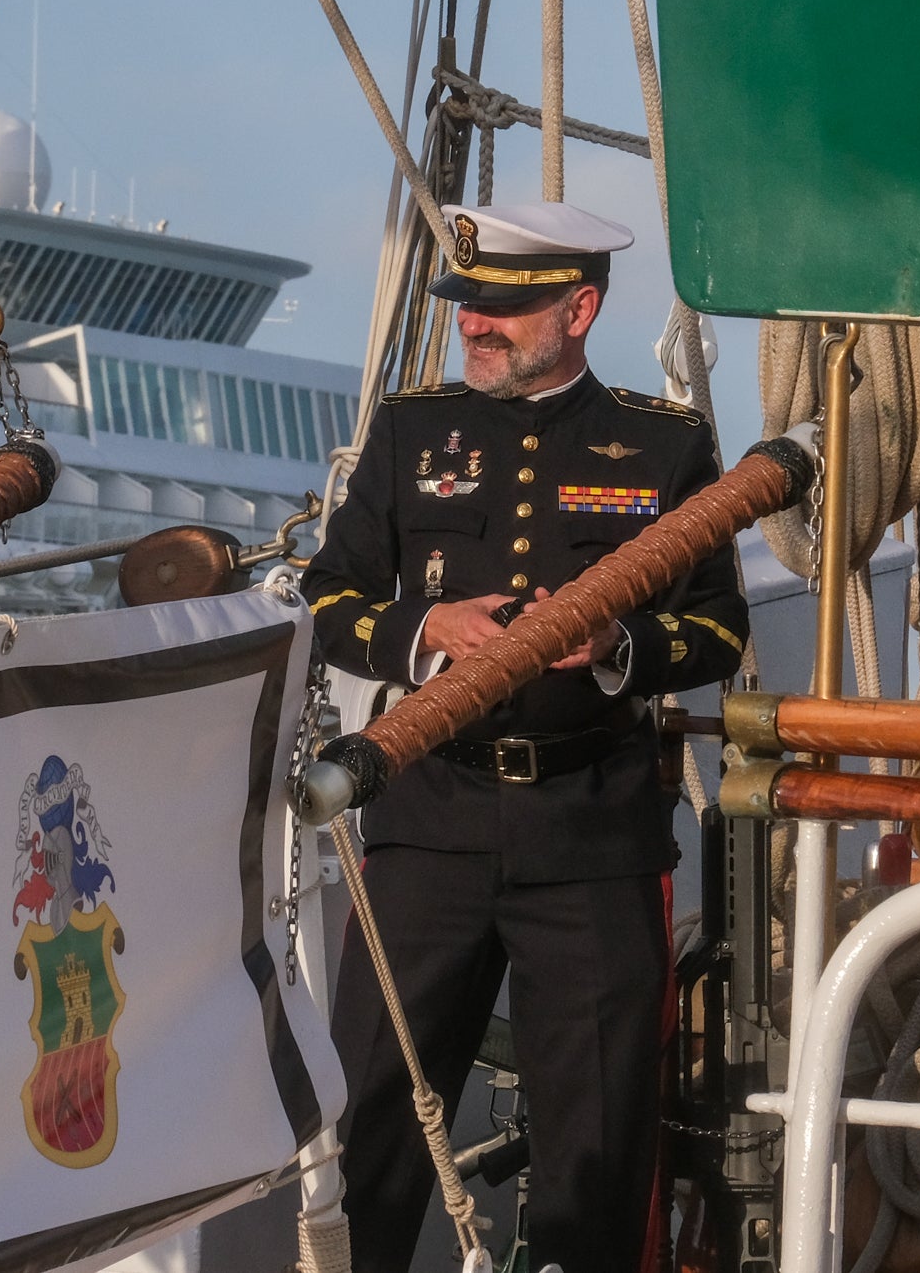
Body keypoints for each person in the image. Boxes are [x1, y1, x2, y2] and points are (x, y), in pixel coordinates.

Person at [300, 201, 750, 1273]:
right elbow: (330, 598)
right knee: (373, 1130)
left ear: (581, 309)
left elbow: (717, 629)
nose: (475, 328)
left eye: (504, 311)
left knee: (597, 1151)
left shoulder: (666, 443)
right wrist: (423, 631)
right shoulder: (411, 433)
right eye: (469, 310)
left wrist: (614, 643)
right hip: (429, 824)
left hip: (589, 835)